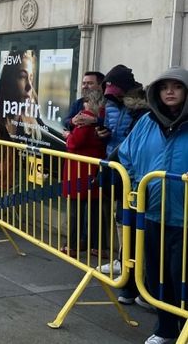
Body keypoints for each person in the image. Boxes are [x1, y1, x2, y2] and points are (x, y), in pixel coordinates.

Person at [117, 67, 188, 344]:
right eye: (164, 87)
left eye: (177, 86)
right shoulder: (146, 122)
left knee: (181, 277)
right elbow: (127, 156)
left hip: (184, 219)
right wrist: (136, 187)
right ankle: (166, 330)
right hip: (152, 214)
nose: (170, 92)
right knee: (159, 277)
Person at [96, 64, 149, 305]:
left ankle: (139, 278)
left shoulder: (141, 109)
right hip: (115, 166)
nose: (110, 91)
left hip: (134, 171)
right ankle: (123, 263)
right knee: (121, 218)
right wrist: (102, 133)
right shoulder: (109, 104)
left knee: (136, 222)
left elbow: (134, 140)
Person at [61, 88, 106, 257]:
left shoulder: (86, 117)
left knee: (75, 212)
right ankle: (98, 246)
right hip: (94, 169)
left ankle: (71, 246)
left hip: (79, 171)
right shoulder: (103, 119)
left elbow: (74, 143)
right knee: (95, 211)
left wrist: (67, 135)